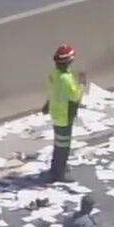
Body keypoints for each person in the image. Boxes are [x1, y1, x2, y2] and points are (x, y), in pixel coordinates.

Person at [43, 44, 85, 183]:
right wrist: (82, 85)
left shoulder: (55, 75)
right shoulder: (66, 79)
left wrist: (47, 105)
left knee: (58, 144)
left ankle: (56, 168)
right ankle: (59, 173)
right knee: (63, 147)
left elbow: (53, 93)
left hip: (56, 113)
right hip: (65, 116)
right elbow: (75, 97)